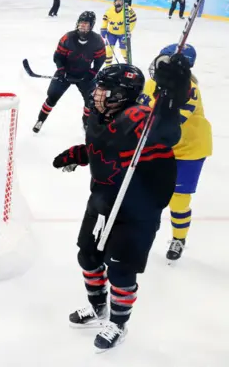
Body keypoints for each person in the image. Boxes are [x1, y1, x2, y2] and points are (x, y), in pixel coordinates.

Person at [52, 54, 192, 351]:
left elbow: (165, 134)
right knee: (88, 257)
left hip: (136, 210)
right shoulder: (95, 113)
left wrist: (170, 99)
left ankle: (118, 322)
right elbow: (105, 146)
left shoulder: (140, 115)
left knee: (121, 271)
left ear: (122, 94)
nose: (96, 92)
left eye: (104, 88)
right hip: (102, 199)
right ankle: (98, 307)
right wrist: (80, 155)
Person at [137, 44, 212, 262]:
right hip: (162, 146)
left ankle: (179, 239)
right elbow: (140, 109)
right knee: (147, 195)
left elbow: (169, 124)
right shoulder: (152, 82)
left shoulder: (190, 90)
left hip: (190, 150)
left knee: (178, 200)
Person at [33, 11, 106, 133]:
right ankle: (40, 120)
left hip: (85, 74)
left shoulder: (97, 40)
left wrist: (92, 73)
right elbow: (58, 56)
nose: (82, 26)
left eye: (86, 24)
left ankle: (86, 122)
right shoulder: (68, 37)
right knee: (52, 96)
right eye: (81, 23)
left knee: (91, 101)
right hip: (65, 73)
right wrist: (61, 71)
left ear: (91, 25)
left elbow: (100, 58)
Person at [100, 0, 136, 65]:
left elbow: (133, 20)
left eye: (120, 1)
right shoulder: (109, 10)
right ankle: (108, 66)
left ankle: (129, 65)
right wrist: (103, 28)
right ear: (114, 2)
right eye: (117, 1)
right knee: (108, 50)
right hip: (111, 33)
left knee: (124, 51)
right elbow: (105, 19)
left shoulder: (128, 10)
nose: (118, 3)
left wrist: (128, 31)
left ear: (123, 2)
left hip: (123, 34)